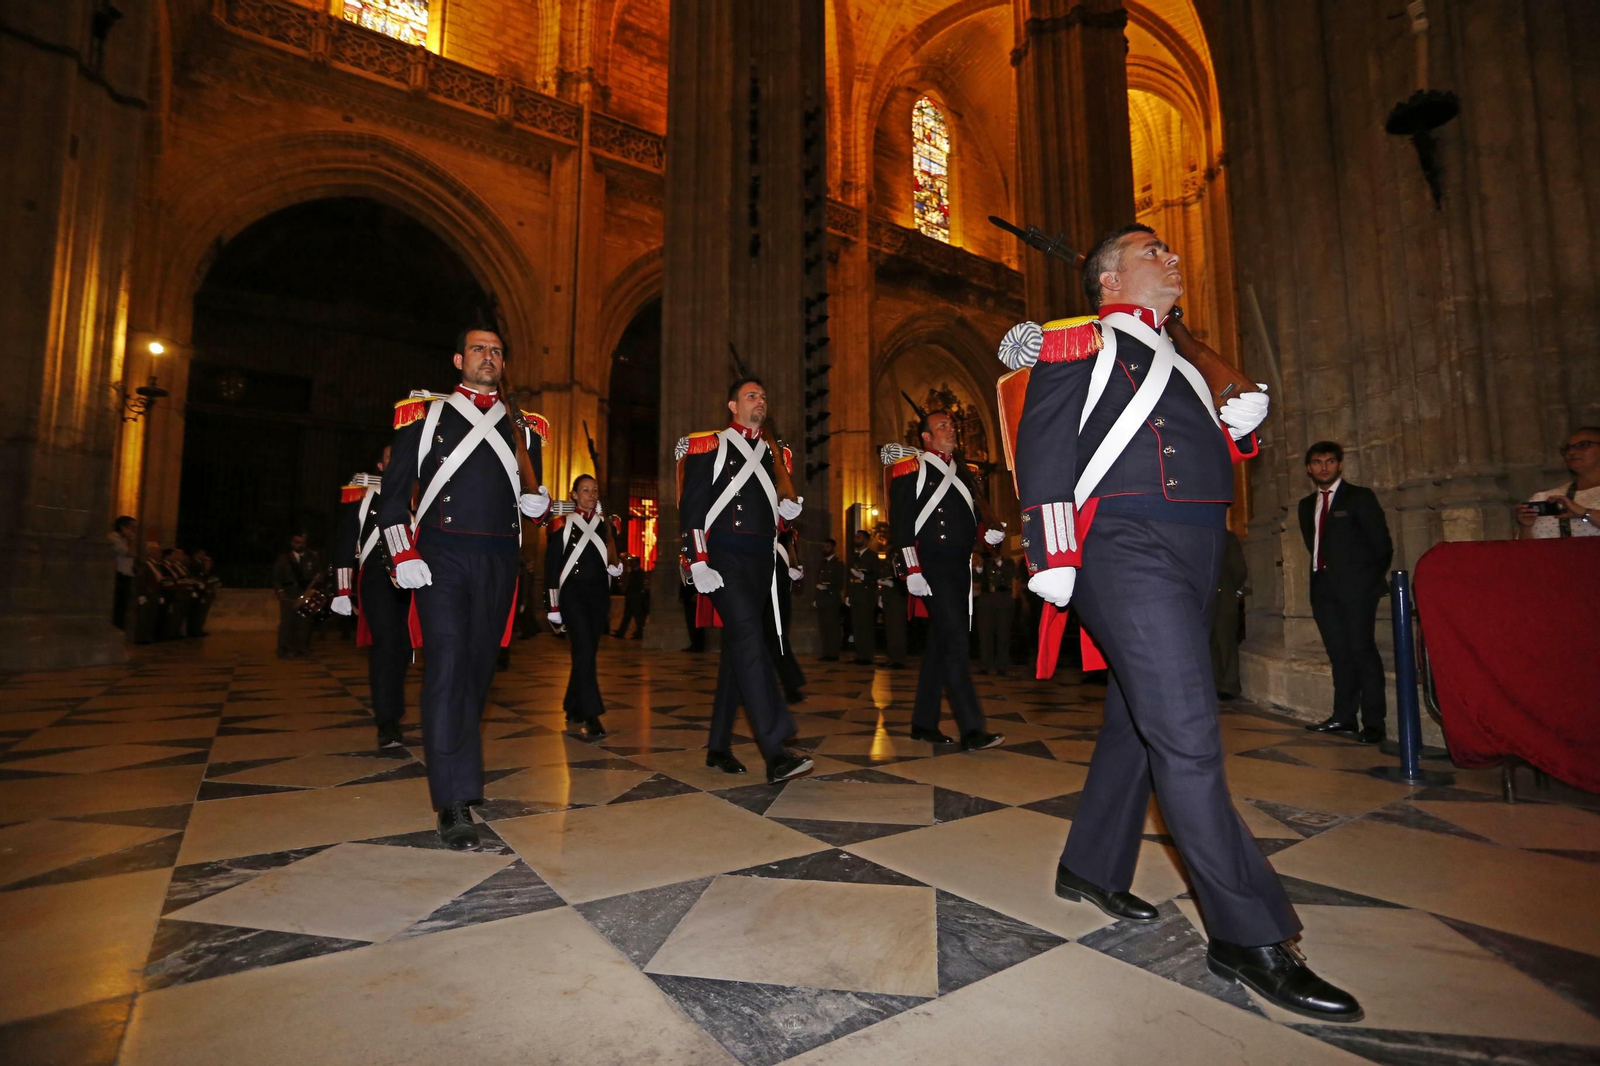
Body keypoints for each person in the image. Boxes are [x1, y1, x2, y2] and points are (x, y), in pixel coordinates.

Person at [1012, 223, 1360, 1021]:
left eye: (1171, 249)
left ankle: (1092, 867)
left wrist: (1241, 416)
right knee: (1189, 736)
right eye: (1150, 251)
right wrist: (1052, 554)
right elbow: (1044, 443)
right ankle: (1247, 933)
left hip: (1199, 546)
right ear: (1107, 279)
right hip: (1124, 543)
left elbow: (1228, 442)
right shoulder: (1079, 343)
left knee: (1140, 723)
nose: (1171, 257)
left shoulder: (1185, 358)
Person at [376, 322, 552, 848]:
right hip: (441, 556)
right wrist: (400, 548)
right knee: (447, 668)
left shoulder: (524, 424)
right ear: (458, 360)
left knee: (477, 672)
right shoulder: (424, 413)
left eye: (496, 351)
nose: (488, 357)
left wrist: (536, 509)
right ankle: (452, 801)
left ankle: (456, 758)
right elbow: (392, 492)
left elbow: (528, 493)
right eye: (478, 349)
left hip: (499, 558)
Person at [677, 377, 813, 784]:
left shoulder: (776, 456)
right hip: (723, 559)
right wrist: (697, 559)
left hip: (761, 563)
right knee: (751, 638)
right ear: (732, 405)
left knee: (739, 652)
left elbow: (778, 518)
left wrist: (787, 520)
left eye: (764, 397)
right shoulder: (711, 446)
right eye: (752, 396)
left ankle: (718, 746)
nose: (760, 402)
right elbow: (692, 508)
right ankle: (775, 750)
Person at [886, 413, 1005, 749]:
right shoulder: (911, 469)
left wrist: (988, 534)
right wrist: (912, 568)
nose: (950, 429)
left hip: (958, 567)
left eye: (952, 425)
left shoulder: (966, 473)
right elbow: (902, 522)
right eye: (942, 426)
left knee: (940, 646)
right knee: (955, 642)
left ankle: (923, 723)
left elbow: (972, 515)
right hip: (931, 566)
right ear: (925, 437)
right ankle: (972, 728)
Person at [1299, 441, 1392, 744]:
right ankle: (1344, 716)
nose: (1322, 467)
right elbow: (1314, 545)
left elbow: (1382, 546)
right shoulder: (1305, 505)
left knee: (1362, 652)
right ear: (1309, 468)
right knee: (1339, 654)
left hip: (1356, 591)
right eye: (1316, 462)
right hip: (1322, 589)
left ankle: (1375, 722)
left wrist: (1365, 585)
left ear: (1340, 465)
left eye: (1329, 461)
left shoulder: (1359, 498)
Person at [330, 450, 412, 749]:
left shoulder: (421, 493)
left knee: (403, 649)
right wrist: (342, 589)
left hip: (413, 583)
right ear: (380, 465)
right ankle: (387, 721)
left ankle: (394, 709)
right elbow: (345, 539)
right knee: (386, 645)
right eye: (392, 456)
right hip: (377, 579)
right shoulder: (364, 495)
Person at [546, 475, 621, 738]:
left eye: (594, 490)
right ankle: (592, 713)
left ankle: (572, 704)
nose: (591, 495)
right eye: (585, 490)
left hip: (598, 596)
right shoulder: (562, 524)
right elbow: (552, 568)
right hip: (572, 595)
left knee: (586, 654)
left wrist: (616, 566)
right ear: (574, 495)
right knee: (584, 651)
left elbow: (611, 558)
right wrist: (553, 607)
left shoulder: (606, 526)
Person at [1517, 426, 1600, 539]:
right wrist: (1525, 527)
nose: (1571, 452)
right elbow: (1525, 552)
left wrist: (1584, 513)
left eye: (1583, 445)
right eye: (1567, 448)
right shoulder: (1544, 497)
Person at [768, 526, 808, 702]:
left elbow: (795, 564)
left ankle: (791, 686)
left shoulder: (787, 539)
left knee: (778, 642)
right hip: (761, 596)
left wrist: (798, 575)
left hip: (780, 597)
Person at [1211, 529, 1248, 700]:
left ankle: (1229, 685)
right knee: (1213, 642)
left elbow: (1239, 569)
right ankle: (1216, 683)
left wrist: (1229, 589)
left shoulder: (1227, 537)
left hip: (1223, 595)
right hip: (1206, 597)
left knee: (1225, 641)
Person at [272, 533, 319, 658]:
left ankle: (302, 647)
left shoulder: (312, 558)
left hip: (305, 593)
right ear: (292, 544)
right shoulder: (283, 559)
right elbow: (276, 577)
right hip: (289, 594)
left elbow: (317, 575)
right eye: (297, 542)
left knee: (304, 622)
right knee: (287, 622)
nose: (300, 545)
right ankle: (284, 647)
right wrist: (280, 592)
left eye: (302, 542)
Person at [976, 544, 1018, 676]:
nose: (992, 550)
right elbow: (977, 578)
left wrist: (998, 562)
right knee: (985, 634)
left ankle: (1002, 665)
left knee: (1003, 634)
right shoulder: (984, 562)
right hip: (986, 599)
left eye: (994, 547)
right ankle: (985, 664)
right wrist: (978, 566)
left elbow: (1010, 575)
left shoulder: (1008, 562)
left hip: (1003, 599)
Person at [846, 529, 879, 665]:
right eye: (855, 537)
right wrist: (848, 595)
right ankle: (859, 655)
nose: (856, 540)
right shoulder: (853, 556)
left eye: (858, 537)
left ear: (865, 540)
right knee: (857, 626)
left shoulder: (872, 556)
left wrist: (863, 576)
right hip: (855, 594)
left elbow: (876, 575)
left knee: (866, 626)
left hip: (866, 595)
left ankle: (867, 656)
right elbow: (848, 577)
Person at [812, 537, 844, 660]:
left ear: (833, 548)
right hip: (822, 600)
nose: (825, 549)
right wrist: (816, 598)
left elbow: (839, 583)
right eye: (824, 547)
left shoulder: (838, 563)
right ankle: (826, 653)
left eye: (827, 547)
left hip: (832, 599)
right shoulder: (822, 563)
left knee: (832, 627)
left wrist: (828, 588)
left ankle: (834, 653)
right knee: (824, 627)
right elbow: (817, 581)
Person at [133, 540, 169, 645]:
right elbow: (141, 579)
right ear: (151, 553)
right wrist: (141, 594)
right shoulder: (145, 565)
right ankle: (141, 637)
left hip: (155, 594)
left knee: (151, 617)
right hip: (148, 594)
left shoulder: (156, 565)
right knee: (144, 617)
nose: (159, 555)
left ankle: (148, 636)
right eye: (157, 552)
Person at [614, 555, 649, 639]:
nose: (631, 563)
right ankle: (621, 632)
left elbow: (636, 585)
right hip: (630, 597)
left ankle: (639, 634)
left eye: (633, 562)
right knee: (627, 616)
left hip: (636, 598)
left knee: (638, 617)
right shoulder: (632, 572)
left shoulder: (640, 572)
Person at [110, 516, 135, 629]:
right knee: (117, 605)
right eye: (131, 527)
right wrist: (132, 541)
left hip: (126, 574)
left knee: (123, 605)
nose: (133, 531)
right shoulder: (114, 538)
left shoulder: (124, 540)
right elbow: (131, 553)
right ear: (123, 527)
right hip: (118, 575)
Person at [189, 549, 221, 637]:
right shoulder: (199, 569)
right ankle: (195, 630)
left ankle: (199, 628)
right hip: (201, 593)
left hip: (207, 593)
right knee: (198, 613)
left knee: (203, 613)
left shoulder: (208, 572)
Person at [678, 579, 705, 652]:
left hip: (693, 597)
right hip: (688, 597)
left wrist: (696, 594)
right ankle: (695, 644)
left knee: (694, 622)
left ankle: (697, 645)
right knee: (691, 623)